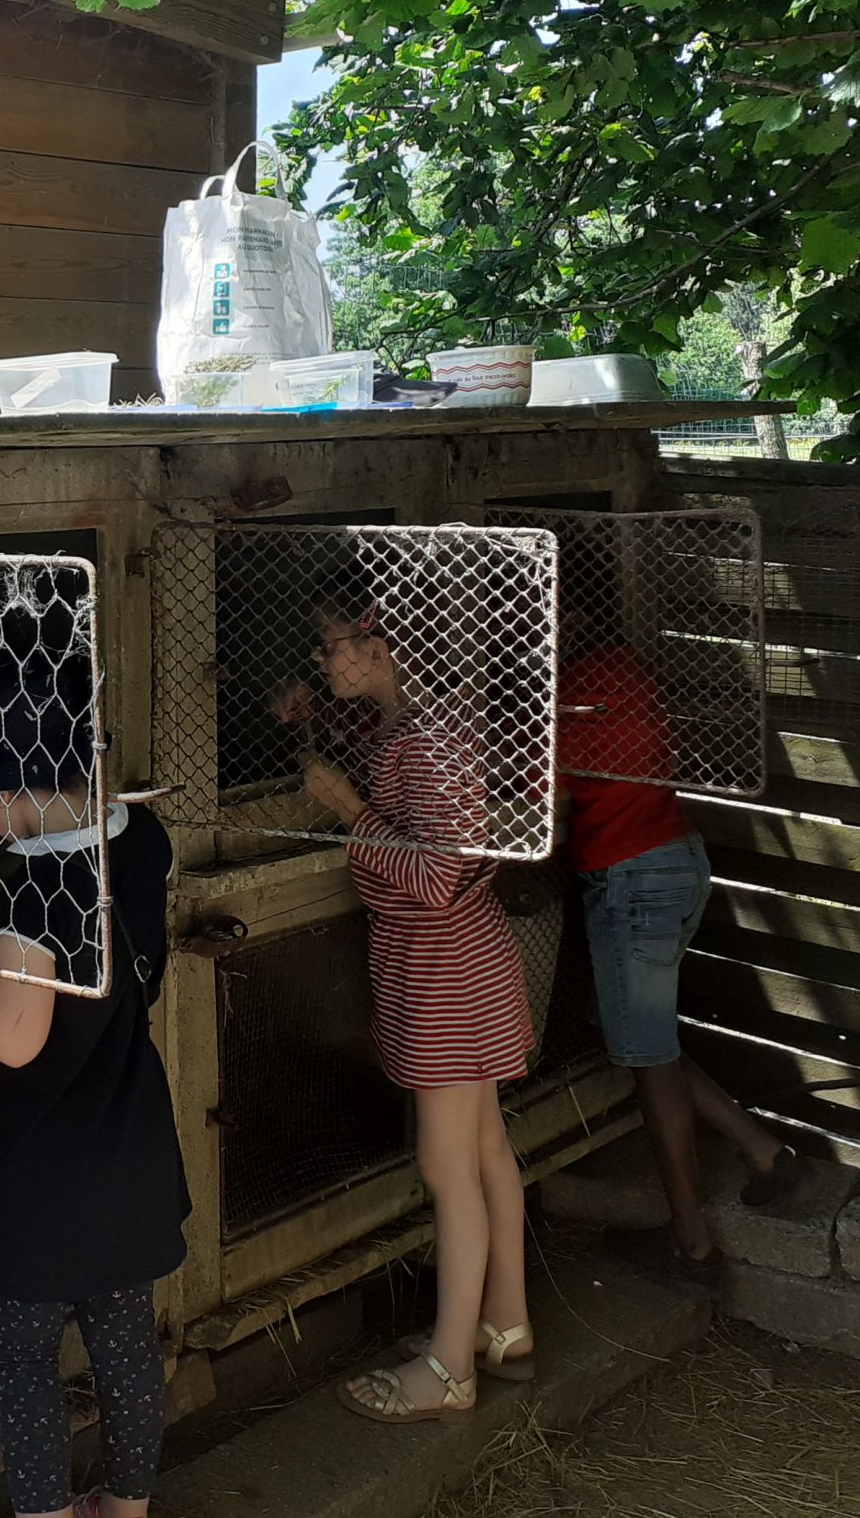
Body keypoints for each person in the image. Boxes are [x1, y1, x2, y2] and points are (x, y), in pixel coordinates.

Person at [0, 590, 187, 1518]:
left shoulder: (38, 895)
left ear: (6, 779)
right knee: (125, 1348)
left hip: (42, 1182)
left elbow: (14, 1040)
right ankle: (128, 1506)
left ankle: (47, 1512)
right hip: (131, 1149)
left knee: (25, 1365)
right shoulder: (142, 840)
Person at [294, 588, 535, 1426]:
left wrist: (349, 813)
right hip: (461, 964)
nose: (321, 662)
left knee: (447, 1169)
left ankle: (448, 1367)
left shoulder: (428, 742)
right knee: (487, 1150)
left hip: (445, 972)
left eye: (329, 645)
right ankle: (504, 1325)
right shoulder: (423, 723)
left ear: (380, 641)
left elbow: (436, 878)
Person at [553, 541, 801, 1297]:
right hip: (672, 861)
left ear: (569, 612)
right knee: (643, 1040)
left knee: (648, 1060)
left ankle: (694, 1247)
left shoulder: (582, 684)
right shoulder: (619, 668)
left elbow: (543, 792)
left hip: (635, 881)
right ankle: (763, 1153)